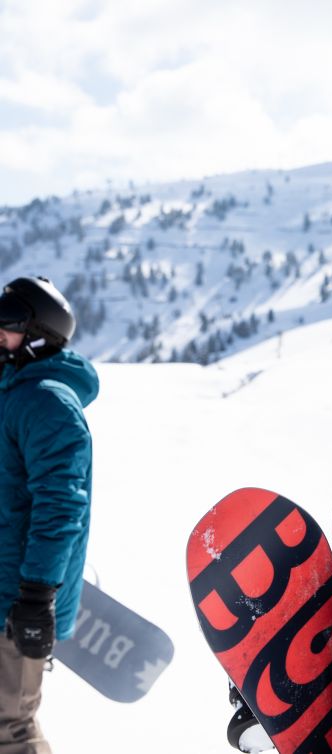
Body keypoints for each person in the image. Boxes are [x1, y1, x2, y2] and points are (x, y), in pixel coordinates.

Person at [0, 276, 99, 753]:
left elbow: (61, 505)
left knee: (10, 729)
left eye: (10, 324)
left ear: (41, 335)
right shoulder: (16, 393)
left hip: (13, 602)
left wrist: (37, 596)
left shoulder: (46, 401)